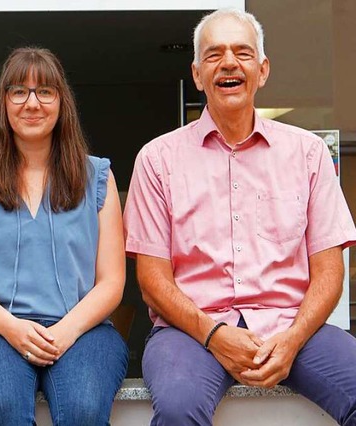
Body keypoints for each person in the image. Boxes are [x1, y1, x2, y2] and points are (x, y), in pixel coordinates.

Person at [123, 8, 356, 426]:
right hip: (189, 333)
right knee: (179, 410)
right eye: (214, 54)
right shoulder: (157, 159)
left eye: (242, 52)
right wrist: (214, 334)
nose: (229, 62)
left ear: (262, 70)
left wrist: (292, 340)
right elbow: (152, 281)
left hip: (294, 326)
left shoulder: (308, 154)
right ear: (197, 75)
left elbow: (328, 272)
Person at [0, 47, 128, 425]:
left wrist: (65, 331)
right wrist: (12, 328)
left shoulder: (98, 178)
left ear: (62, 103)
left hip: (83, 330)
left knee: (83, 410)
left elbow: (112, 282)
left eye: (45, 92)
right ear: (3, 103)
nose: (32, 103)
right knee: (4, 407)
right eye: (19, 92)